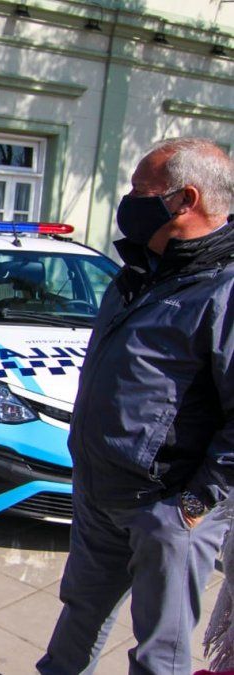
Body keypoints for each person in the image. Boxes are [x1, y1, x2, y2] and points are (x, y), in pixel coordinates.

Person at [38, 137, 234, 675]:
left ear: (184, 200)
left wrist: (195, 503)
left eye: (140, 190)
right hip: (101, 488)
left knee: (159, 651)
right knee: (81, 609)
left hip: (167, 508)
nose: (128, 201)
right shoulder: (143, 269)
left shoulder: (224, 288)